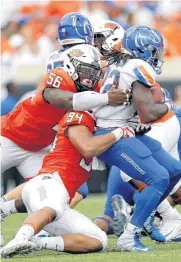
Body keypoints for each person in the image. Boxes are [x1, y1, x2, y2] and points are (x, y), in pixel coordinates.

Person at [1, 93, 135, 258]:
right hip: (49, 182)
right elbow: (88, 148)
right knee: (53, 205)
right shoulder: (79, 116)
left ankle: (36, 243)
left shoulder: (95, 127)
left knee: (98, 240)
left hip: (57, 198)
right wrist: (119, 132)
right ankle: (21, 237)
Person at [93, 25, 181, 252]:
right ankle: (129, 237)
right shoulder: (138, 67)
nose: (156, 57)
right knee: (159, 177)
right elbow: (148, 114)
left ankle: (147, 213)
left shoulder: (120, 63)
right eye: (154, 52)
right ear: (142, 50)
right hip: (112, 133)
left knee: (173, 169)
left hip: (124, 129)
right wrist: (169, 104)